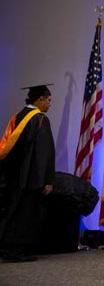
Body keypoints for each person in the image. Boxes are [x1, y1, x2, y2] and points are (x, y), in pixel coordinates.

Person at [0, 84, 55, 262]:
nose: (49, 104)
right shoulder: (39, 119)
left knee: (12, 211)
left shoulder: (16, 118)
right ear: (39, 99)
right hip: (32, 177)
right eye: (48, 100)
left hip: (13, 176)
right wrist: (48, 180)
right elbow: (45, 153)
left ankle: (8, 248)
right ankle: (16, 251)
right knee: (25, 214)